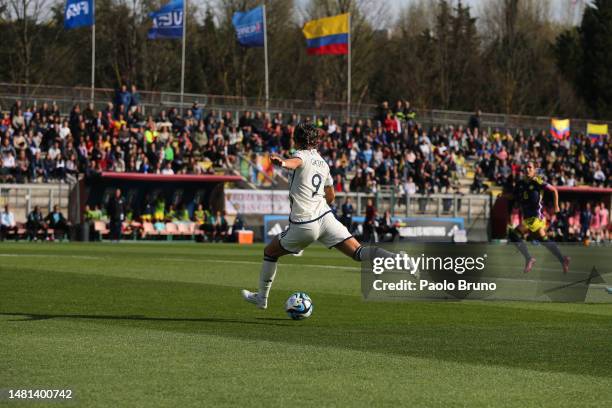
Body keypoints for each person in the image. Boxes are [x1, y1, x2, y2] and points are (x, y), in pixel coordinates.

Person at [242, 123, 395, 310]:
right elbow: (331, 196)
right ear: (316, 141)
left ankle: (262, 298)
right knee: (358, 252)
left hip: (305, 223)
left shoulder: (300, 155)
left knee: (270, 252)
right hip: (326, 218)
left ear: (297, 140)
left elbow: (294, 162)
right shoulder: (323, 163)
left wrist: (282, 163)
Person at [502, 161, 570, 273]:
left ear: (534, 170)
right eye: (526, 167)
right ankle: (563, 260)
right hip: (528, 218)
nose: (528, 169)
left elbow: (554, 190)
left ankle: (529, 259)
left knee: (513, 234)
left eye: (530, 167)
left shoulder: (537, 181)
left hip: (536, 218)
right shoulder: (520, 184)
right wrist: (504, 196)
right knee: (544, 240)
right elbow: (514, 195)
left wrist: (556, 205)